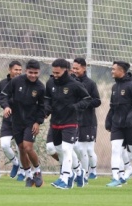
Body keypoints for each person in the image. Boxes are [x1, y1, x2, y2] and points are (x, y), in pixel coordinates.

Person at [45, 59, 92, 189]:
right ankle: (78, 171)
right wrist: (46, 110)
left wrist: (75, 107)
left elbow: (87, 99)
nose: (55, 75)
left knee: (66, 149)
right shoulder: (50, 83)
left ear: (66, 70)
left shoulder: (74, 84)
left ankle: (65, 178)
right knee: (59, 150)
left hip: (70, 122)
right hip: (55, 122)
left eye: (58, 73)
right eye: (53, 72)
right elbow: (47, 100)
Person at [0, 59, 46, 187]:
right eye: (30, 72)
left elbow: (43, 107)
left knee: (28, 147)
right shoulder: (16, 82)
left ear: (39, 72)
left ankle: (37, 171)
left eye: (36, 73)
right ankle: (28, 176)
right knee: (21, 148)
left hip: (31, 122)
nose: (33, 75)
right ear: (26, 71)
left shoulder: (41, 87)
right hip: (16, 121)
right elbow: (2, 96)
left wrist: (38, 122)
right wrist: (6, 107)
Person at [105, 61, 132, 188]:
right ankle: (115, 177)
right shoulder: (114, 87)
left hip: (130, 124)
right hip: (117, 125)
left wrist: (130, 117)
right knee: (115, 149)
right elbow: (112, 106)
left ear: (121, 71)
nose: (112, 71)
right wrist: (109, 120)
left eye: (114, 69)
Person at [71, 58, 101, 181]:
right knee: (77, 148)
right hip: (73, 120)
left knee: (88, 149)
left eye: (77, 68)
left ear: (84, 68)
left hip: (88, 121)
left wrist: (84, 104)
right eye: (73, 68)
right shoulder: (70, 82)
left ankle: (91, 170)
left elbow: (97, 101)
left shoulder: (90, 84)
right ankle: (81, 173)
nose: (75, 71)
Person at [0, 60, 24, 180]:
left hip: (22, 120)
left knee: (21, 147)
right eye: (15, 70)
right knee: (4, 145)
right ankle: (15, 163)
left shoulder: (25, 83)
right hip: (8, 120)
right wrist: (6, 106)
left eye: (19, 70)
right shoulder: (3, 83)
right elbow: (1, 98)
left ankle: (23, 171)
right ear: (10, 70)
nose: (18, 72)